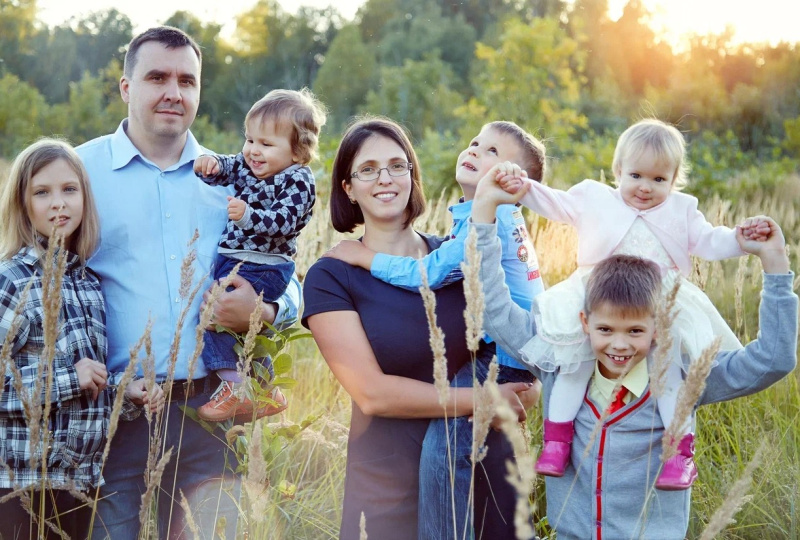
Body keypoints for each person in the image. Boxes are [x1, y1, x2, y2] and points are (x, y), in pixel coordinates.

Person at [471, 163, 797, 538]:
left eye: (636, 330)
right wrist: (483, 214)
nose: (619, 344)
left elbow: (773, 360)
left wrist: (775, 266)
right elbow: (493, 308)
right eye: (605, 329)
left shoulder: (685, 379)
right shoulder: (560, 361)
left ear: (658, 328)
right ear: (584, 323)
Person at [76, 27, 301, 539]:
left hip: (213, 413)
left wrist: (266, 312)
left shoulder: (241, 177)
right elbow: (38, 275)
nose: (173, 92)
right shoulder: (80, 173)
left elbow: (289, 271)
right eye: (157, 77)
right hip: (119, 415)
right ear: (126, 87)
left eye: (187, 80)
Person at [493, 118, 764, 489]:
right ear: (618, 170)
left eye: (658, 180)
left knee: (668, 374)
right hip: (598, 293)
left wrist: (739, 238)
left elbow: (709, 241)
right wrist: (522, 187)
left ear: (674, 180)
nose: (645, 188)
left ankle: (680, 454)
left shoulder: (682, 210)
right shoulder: (594, 198)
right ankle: (557, 441)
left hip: (656, 301)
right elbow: (555, 202)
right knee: (574, 363)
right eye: (635, 175)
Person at [301, 117, 535, 540]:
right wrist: (484, 399)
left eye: (396, 165)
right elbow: (373, 394)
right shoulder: (331, 276)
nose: (385, 178)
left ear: (413, 174)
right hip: (389, 490)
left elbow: (523, 353)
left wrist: (521, 392)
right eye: (367, 169)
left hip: (487, 474)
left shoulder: (463, 253)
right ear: (348, 188)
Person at [0, 139, 164, 540]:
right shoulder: (13, 281)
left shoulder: (88, 284)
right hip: (21, 485)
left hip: (80, 484)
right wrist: (69, 378)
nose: (59, 203)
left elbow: (87, 392)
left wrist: (125, 395)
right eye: (42, 192)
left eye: (69, 190)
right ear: (23, 205)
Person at [192, 88, 326, 422]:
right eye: (249, 139)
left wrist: (249, 215)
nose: (253, 150)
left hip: (265, 264)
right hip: (239, 259)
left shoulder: (297, 180)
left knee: (215, 316)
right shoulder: (249, 166)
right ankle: (264, 390)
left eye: (266, 144)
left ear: (298, 151)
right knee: (241, 326)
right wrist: (210, 165)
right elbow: (228, 167)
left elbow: (285, 221)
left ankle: (235, 386)